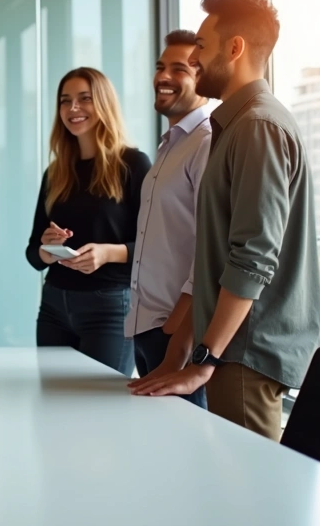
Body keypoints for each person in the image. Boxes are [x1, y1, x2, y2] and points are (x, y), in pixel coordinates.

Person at [131, 0, 320, 441]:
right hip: (230, 352)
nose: (194, 58)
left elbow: (252, 258)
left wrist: (205, 360)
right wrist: (180, 355)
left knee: (247, 485)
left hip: (243, 355)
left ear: (234, 48)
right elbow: (213, 258)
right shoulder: (235, 124)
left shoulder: (257, 126)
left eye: (201, 45)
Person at [26, 67, 152, 376]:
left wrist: (108, 253)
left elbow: (155, 246)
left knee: (101, 403)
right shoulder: (55, 172)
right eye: (65, 100)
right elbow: (33, 254)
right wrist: (47, 249)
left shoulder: (133, 164)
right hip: (54, 306)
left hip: (109, 308)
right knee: (53, 399)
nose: (73, 108)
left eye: (85, 99)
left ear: (104, 103)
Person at [120, 30, 214, 408]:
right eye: (160, 67)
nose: (163, 76)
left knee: (187, 438)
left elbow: (211, 246)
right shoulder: (171, 144)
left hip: (175, 333)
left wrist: (177, 326)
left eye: (179, 69)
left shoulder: (205, 141)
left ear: (202, 78)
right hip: (148, 327)